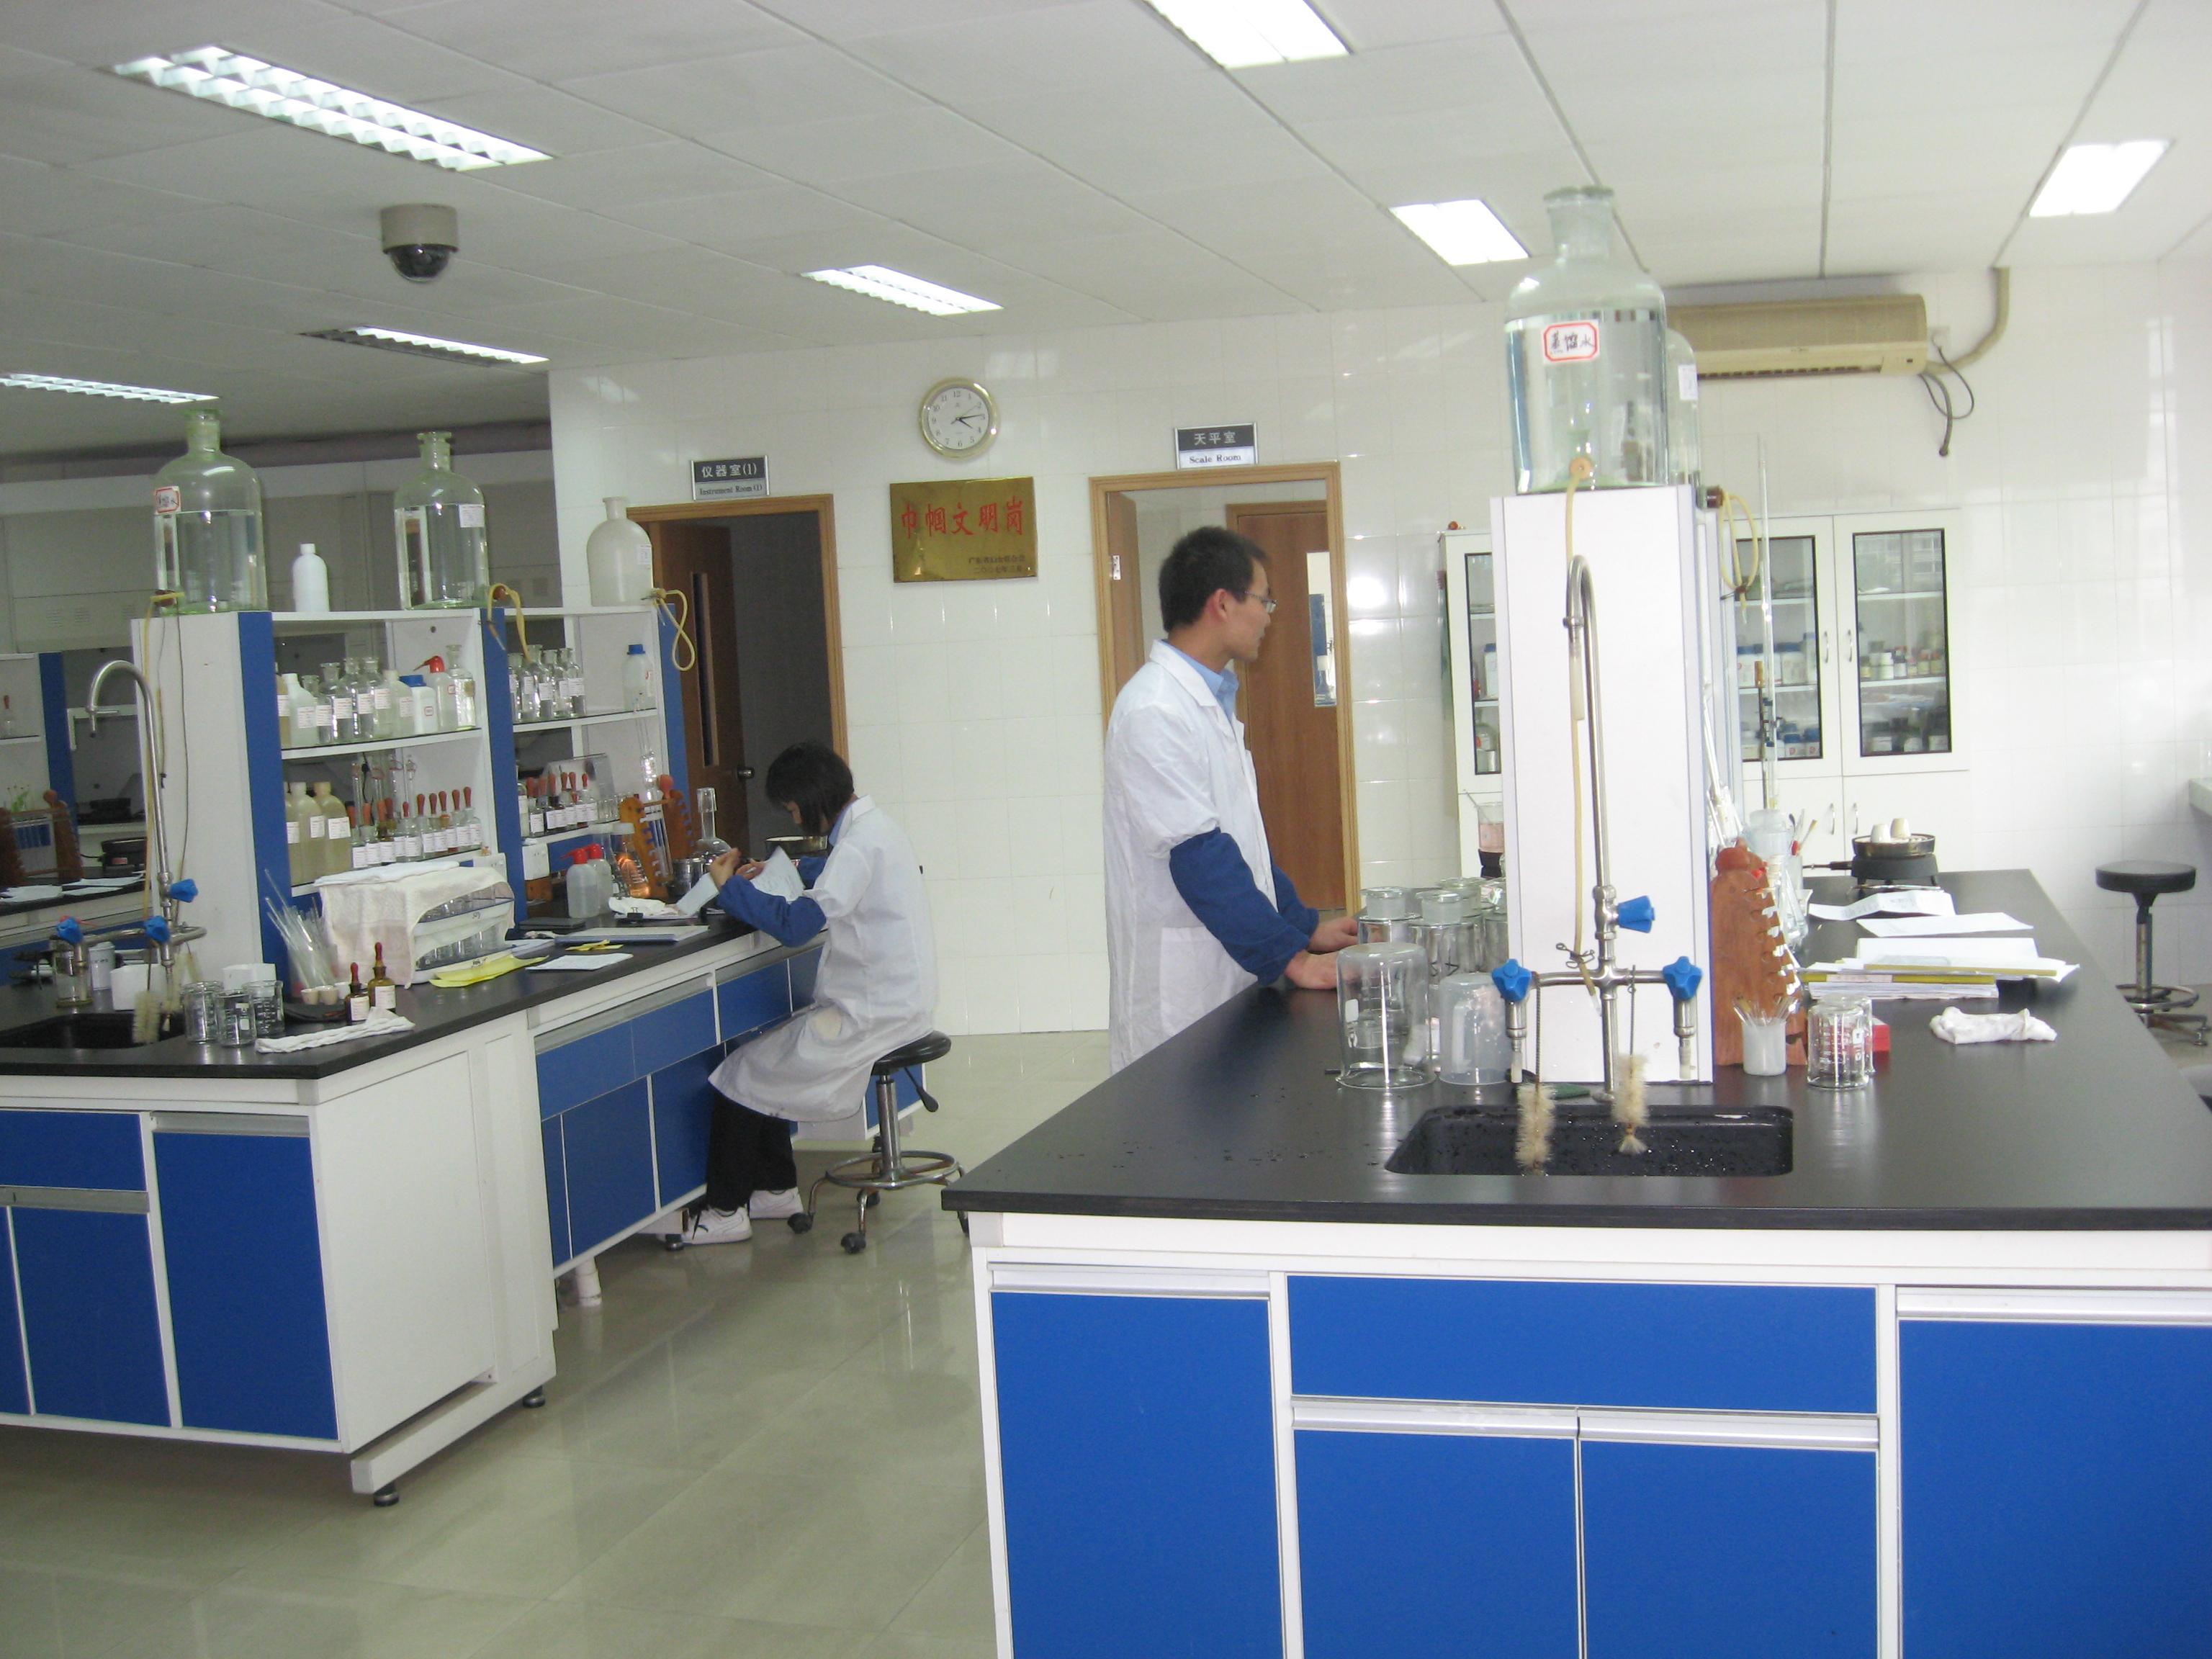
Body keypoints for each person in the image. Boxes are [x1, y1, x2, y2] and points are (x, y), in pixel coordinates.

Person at [1103, 525, 1359, 1072]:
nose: (1269, 616)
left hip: (1224, 972)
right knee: (1187, 1119)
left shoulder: (1208, 700)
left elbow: (1243, 845)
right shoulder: (1155, 710)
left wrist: (1303, 927)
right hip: (1182, 992)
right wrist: (1292, 958)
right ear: (1222, 603)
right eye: (1264, 600)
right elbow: (1201, 858)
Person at [673, 741, 937, 1245]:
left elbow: (796, 926)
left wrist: (731, 887)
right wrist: (785, 871)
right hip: (898, 1005)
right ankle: (775, 1190)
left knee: (740, 1074)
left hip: (872, 1017)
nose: (795, 820)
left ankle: (724, 1212)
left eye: (794, 809)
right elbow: (834, 876)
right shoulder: (876, 830)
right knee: (766, 1062)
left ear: (814, 799)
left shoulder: (857, 845)